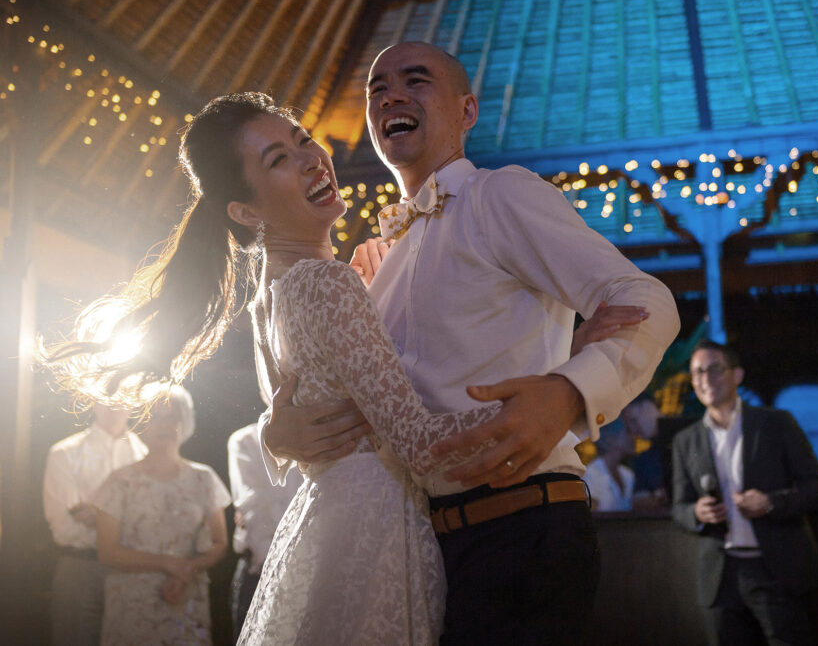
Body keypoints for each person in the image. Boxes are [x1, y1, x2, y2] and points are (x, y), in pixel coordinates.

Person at [263, 41, 681, 644]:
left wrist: (569, 392)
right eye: (377, 89)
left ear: (467, 111)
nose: (393, 96)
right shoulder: (372, 263)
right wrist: (276, 435)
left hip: (523, 525)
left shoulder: (500, 196)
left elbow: (644, 298)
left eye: (416, 81)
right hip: (419, 546)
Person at [671, 341, 818, 646]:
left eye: (715, 369)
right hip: (720, 575)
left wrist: (771, 503)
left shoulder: (776, 423)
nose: (706, 379)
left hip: (775, 568)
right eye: (697, 372)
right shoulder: (685, 441)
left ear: (737, 375)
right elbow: (678, 507)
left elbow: (817, 488)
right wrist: (696, 513)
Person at [92, 385, 230, 645]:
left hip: (186, 599)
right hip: (131, 605)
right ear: (141, 423)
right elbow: (106, 551)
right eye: (153, 417)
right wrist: (167, 563)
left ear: (185, 422)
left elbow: (219, 543)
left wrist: (187, 569)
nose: (162, 425)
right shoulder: (119, 481)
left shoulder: (204, 478)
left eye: (171, 417)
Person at [42, 402, 147, 646]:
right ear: (95, 402)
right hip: (81, 566)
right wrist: (123, 517)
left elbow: (149, 520)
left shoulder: (143, 454)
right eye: (107, 397)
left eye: (121, 398)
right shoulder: (65, 452)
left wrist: (97, 514)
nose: (114, 405)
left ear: (133, 403)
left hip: (131, 570)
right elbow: (65, 522)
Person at [226, 421, 303, 641]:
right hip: (260, 568)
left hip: (310, 561)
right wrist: (278, 569)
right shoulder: (245, 440)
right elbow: (251, 506)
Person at [620, 395, 668, 510]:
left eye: (633, 420)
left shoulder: (689, 438)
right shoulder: (643, 460)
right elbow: (639, 502)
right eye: (628, 425)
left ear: (648, 408)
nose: (632, 430)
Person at [583, 420, 636, 511]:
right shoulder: (591, 474)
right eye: (628, 432)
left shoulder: (627, 475)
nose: (633, 437)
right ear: (611, 438)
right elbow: (590, 514)